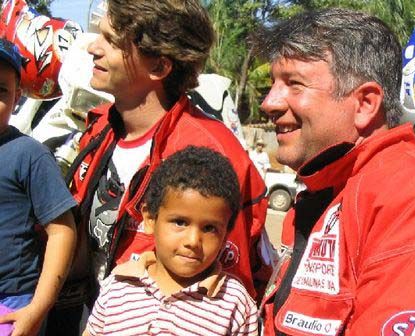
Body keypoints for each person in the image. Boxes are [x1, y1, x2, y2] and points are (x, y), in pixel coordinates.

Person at [257, 8, 415, 335]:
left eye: (294, 85)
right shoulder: (332, 191)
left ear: (365, 104)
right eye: (274, 84)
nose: (268, 103)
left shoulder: (411, 196)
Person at [61, 1, 269, 332]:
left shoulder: (210, 155)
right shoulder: (99, 128)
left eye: (112, 41)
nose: (93, 48)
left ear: (159, 66)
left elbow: (228, 291)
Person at [83, 146, 258, 335]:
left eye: (209, 228)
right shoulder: (118, 286)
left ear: (226, 234)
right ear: (150, 219)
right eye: (180, 222)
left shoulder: (234, 303)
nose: (193, 241)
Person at [0, 38, 77, 335]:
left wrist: (39, 306)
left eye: (0, 91)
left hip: (11, 305)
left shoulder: (29, 154)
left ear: (18, 97)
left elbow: (62, 231)